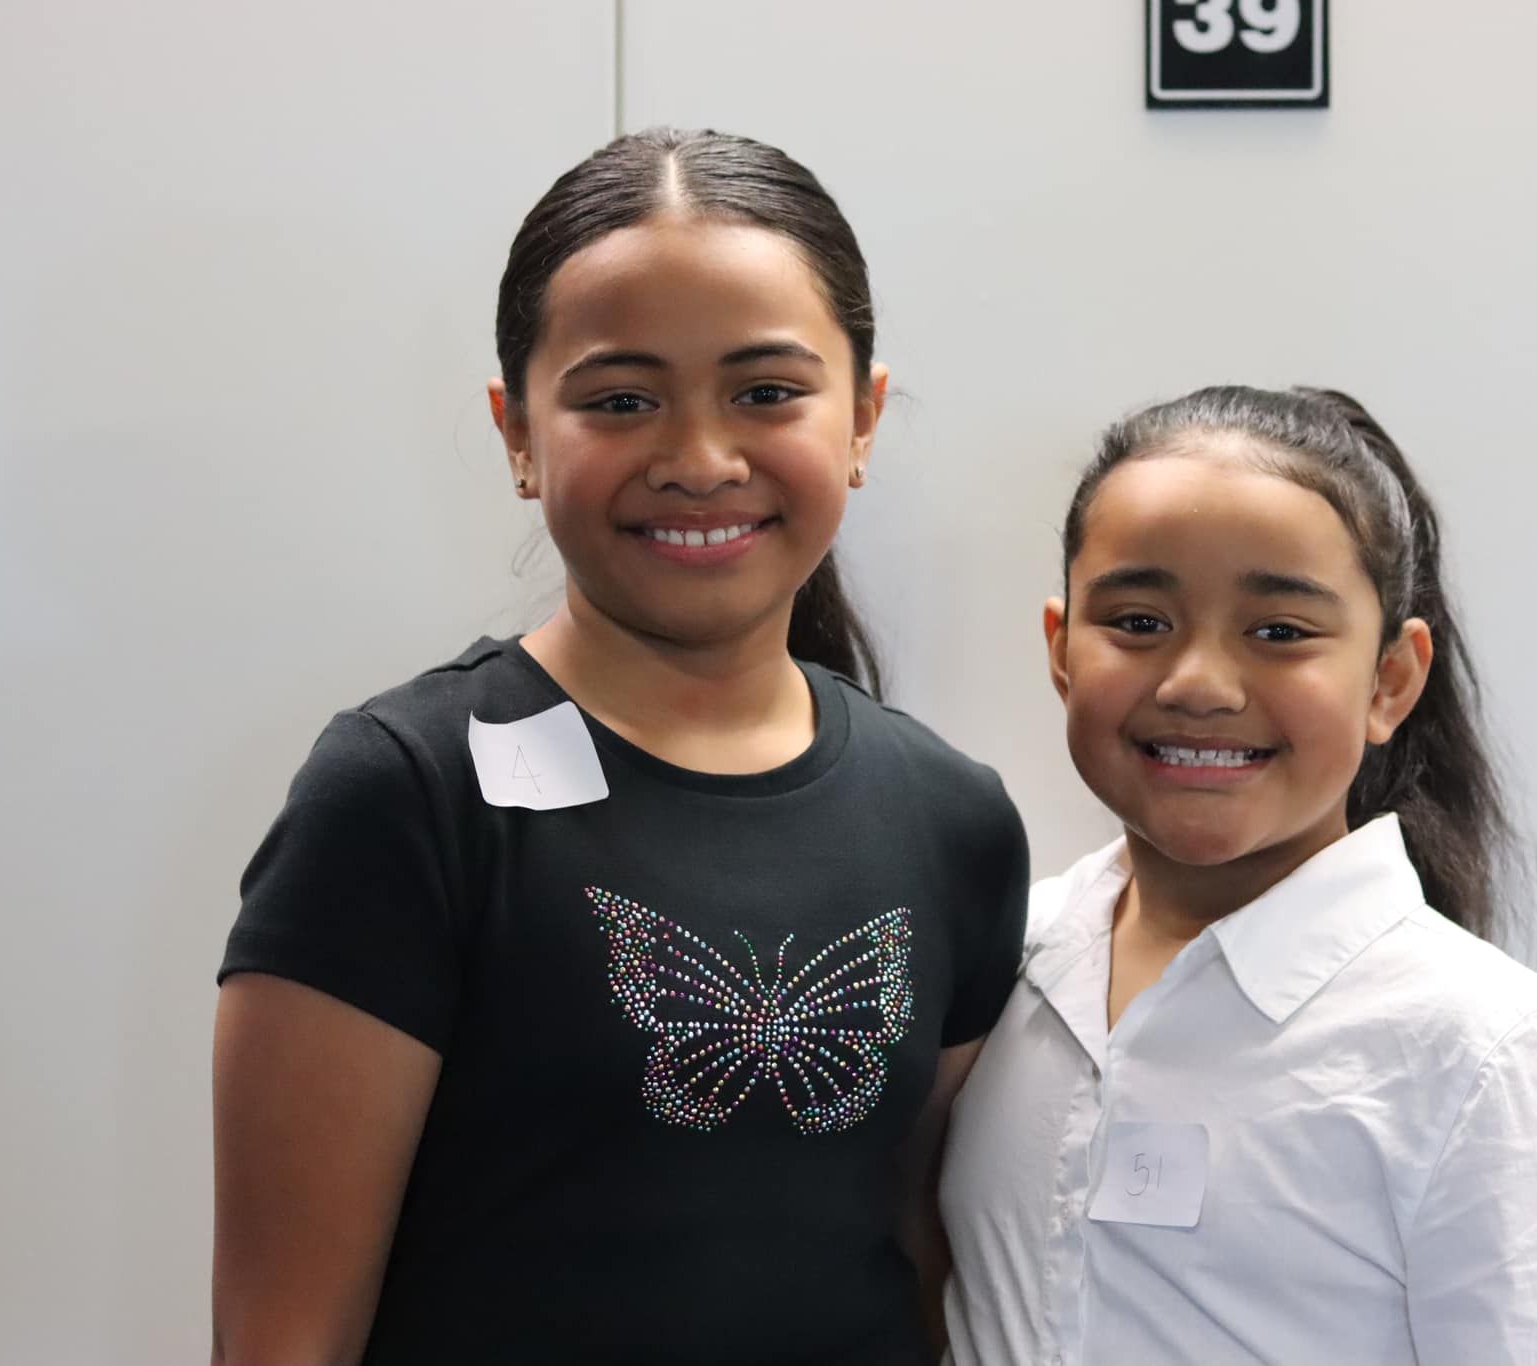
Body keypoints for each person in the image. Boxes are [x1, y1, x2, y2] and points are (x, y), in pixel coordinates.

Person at [211, 128, 1029, 1366]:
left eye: (765, 391)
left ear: (861, 417)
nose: (699, 460)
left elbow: (927, 1261)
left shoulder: (951, 818)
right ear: (518, 433)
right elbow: (281, 1338)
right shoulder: (405, 794)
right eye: (619, 400)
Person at [939, 385, 1537, 1364]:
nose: (1197, 685)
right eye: (1137, 621)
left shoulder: (1485, 1053)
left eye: (1277, 633)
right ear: (1059, 650)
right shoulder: (998, 959)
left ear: (1389, 679)